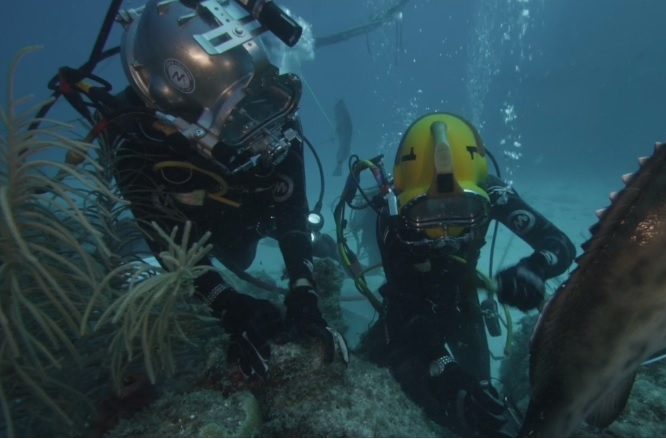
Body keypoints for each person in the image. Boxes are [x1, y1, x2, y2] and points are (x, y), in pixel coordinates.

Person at [89, 0, 348, 379]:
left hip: (260, 215)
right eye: (238, 122)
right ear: (184, 121)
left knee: (303, 235)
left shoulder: (273, 103)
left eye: (267, 102)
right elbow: (164, 235)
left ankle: (314, 251)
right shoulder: (136, 140)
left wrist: (304, 288)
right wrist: (225, 302)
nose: (268, 135)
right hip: (203, 231)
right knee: (151, 263)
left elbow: (291, 205)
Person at [356, 112, 576, 436]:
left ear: (482, 198)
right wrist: (442, 365)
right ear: (403, 205)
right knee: (400, 381)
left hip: (462, 298)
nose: (445, 232)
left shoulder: (492, 192)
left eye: (461, 213)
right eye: (428, 213)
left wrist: (534, 268)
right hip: (409, 308)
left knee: (480, 402)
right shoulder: (391, 215)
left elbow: (559, 244)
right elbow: (405, 303)